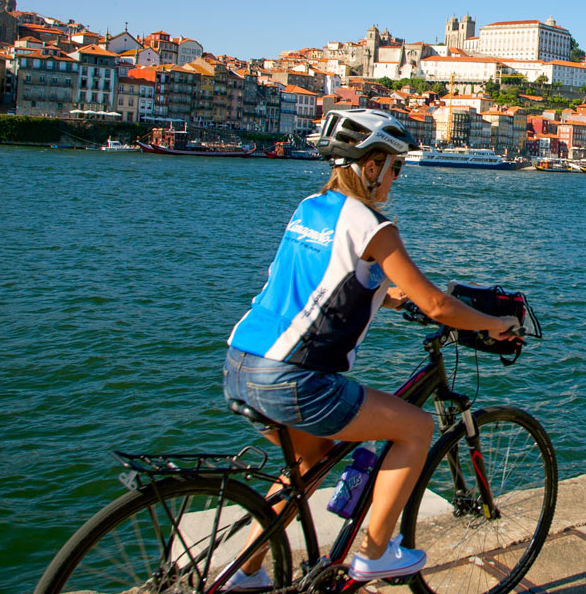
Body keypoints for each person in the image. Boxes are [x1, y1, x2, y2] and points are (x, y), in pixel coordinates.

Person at [222, 109, 520, 587]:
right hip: (295, 380)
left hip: (241, 363)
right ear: (370, 165)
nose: (395, 179)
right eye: (394, 168)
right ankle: (374, 555)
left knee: (309, 463)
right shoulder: (374, 226)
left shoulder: (310, 209)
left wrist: (389, 296)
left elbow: (328, 282)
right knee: (417, 427)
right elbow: (439, 305)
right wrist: (494, 322)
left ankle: (245, 573)